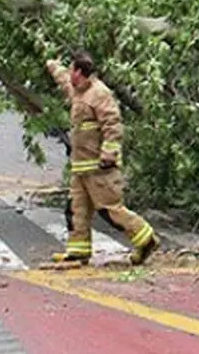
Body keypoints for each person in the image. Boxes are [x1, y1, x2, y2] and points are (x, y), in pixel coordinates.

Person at [45, 51, 159, 265]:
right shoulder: (78, 91)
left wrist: (108, 154)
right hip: (80, 168)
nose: (69, 73)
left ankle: (146, 239)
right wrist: (51, 63)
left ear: (79, 72)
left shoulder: (99, 93)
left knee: (110, 210)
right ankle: (78, 252)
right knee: (75, 210)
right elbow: (62, 80)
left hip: (99, 168)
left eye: (71, 69)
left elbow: (113, 126)